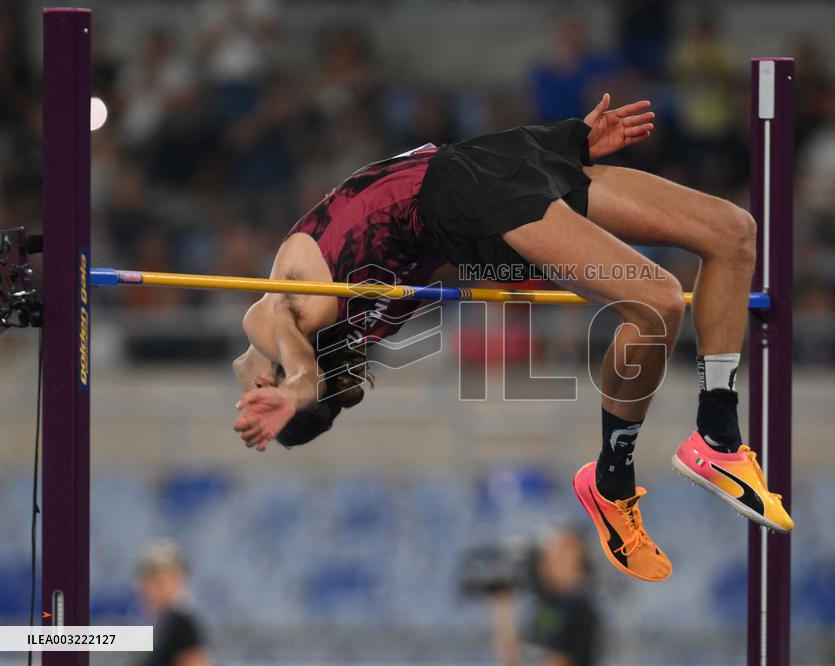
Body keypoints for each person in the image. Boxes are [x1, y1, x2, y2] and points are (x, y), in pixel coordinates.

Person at [231, 93, 794, 582]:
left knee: (732, 232)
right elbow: (303, 371)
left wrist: (568, 142)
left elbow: (293, 361)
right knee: (659, 302)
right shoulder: (318, 321)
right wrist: (293, 393)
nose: (250, 382)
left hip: (482, 166)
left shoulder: (319, 312)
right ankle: (621, 478)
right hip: (468, 196)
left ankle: (716, 434)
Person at [491, 529, 600, 666]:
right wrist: (503, 606)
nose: (551, 566)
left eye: (562, 559)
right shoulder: (545, 606)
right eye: (548, 560)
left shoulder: (580, 608)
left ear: (579, 563)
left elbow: (561, 660)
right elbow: (513, 658)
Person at [137, 541, 211, 666]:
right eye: (146, 580)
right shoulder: (164, 626)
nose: (149, 589)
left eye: (157, 582)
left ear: (178, 581)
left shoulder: (181, 626)